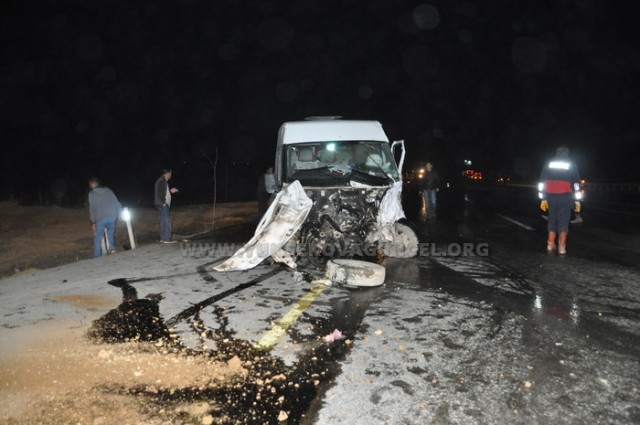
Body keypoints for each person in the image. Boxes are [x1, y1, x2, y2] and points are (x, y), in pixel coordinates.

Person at [538, 146, 581, 255]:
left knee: (552, 219)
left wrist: (543, 198)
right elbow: (576, 184)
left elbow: (542, 181)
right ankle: (562, 247)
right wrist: (577, 200)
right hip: (565, 197)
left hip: (551, 196)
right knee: (563, 221)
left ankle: (550, 243)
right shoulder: (571, 164)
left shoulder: (549, 163)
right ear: (567, 154)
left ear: (556, 153)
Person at [88, 178, 122, 257]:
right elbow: (116, 202)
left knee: (98, 236)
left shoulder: (92, 194)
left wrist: (93, 222)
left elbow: (92, 208)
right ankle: (112, 249)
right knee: (110, 232)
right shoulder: (108, 190)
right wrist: (119, 215)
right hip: (112, 215)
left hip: (100, 217)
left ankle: (97, 255)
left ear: (91, 185)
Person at [154, 168, 179, 243]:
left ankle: (163, 239)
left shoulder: (162, 181)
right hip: (163, 204)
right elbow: (160, 194)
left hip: (160, 204)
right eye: (170, 174)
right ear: (167, 173)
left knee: (163, 221)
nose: (171, 175)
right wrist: (164, 202)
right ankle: (167, 238)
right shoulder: (162, 181)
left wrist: (171, 191)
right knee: (167, 221)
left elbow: (163, 192)